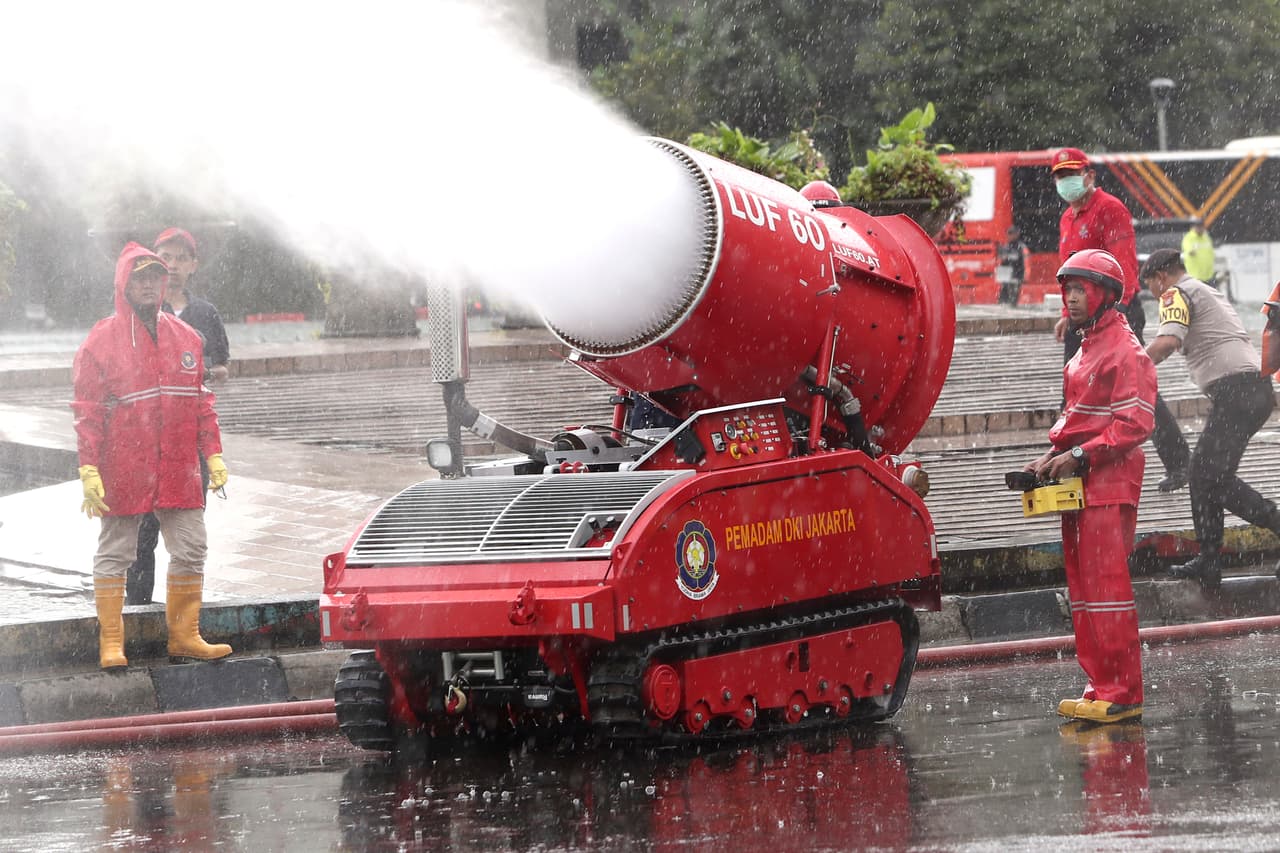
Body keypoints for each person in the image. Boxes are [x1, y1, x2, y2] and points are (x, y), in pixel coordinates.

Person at [72, 242, 233, 669]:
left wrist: (213, 455)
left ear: (165, 284)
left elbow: (202, 402)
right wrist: (88, 466)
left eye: (155, 278)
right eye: (139, 278)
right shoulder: (100, 340)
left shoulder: (187, 337)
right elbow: (87, 410)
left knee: (191, 547)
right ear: (124, 284)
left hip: (179, 466)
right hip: (124, 466)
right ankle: (111, 640)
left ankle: (184, 635)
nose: (148, 285)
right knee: (116, 551)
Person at [1024, 249, 1154, 724]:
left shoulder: (1125, 350)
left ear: (1103, 295)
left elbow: (1136, 423)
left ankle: (1123, 690)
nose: (1071, 298)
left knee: (1107, 590)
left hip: (1109, 483)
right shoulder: (1085, 348)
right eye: (1068, 289)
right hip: (1079, 484)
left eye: (1080, 289)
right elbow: (1075, 419)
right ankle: (1099, 683)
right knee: (1083, 591)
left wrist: (1078, 455)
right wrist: (1051, 453)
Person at [1051, 147, 1190, 492]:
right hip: (1081, 318)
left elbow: (1125, 264)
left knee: (1138, 389)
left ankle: (1179, 463)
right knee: (1073, 389)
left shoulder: (1110, 209)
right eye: (1059, 176)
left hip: (1115, 312)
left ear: (1089, 176)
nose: (1065, 181)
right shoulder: (1067, 218)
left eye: (1071, 174)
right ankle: (1072, 458)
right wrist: (1065, 313)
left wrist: (1120, 312)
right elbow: (1069, 275)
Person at [1140, 248, 1280, 590]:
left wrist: (1128, 369)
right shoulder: (1205, 288)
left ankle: (1221, 551)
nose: (1154, 295)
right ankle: (1209, 559)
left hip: (1238, 393)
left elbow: (1168, 341)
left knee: (1205, 474)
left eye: (1151, 288)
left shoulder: (1176, 292)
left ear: (1160, 277)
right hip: (1252, 391)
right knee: (1207, 475)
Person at [125, 227, 231, 606]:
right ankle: (137, 608)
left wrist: (198, 374)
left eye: (180, 257)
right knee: (141, 532)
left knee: (186, 533)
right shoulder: (139, 310)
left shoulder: (205, 314)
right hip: (145, 441)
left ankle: (182, 617)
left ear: (193, 265)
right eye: (165, 257)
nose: (172, 264)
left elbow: (221, 367)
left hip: (189, 439)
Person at [996, 225, 1029, 306]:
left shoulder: (1022, 247)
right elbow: (999, 262)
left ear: (1017, 234)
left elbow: (1027, 262)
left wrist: (1026, 275)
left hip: (1017, 276)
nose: (1010, 235)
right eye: (1009, 233)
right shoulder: (1004, 247)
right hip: (1005, 277)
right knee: (1003, 298)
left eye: (1012, 233)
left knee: (1013, 298)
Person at [1181, 218, 1215, 287]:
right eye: (1198, 227)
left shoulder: (1206, 237)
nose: (1200, 229)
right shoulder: (1189, 238)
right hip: (1195, 276)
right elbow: (1188, 250)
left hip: (1208, 275)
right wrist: (1191, 251)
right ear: (1193, 227)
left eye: (1201, 226)